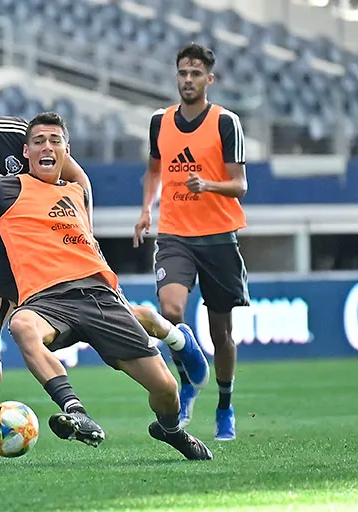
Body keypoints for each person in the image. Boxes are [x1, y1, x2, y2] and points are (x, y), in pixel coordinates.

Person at [0, 112, 212, 461]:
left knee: (166, 388)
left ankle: (171, 429)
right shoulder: (2, 190)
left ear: (66, 152)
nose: (46, 147)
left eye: (54, 141)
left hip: (100, 296)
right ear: (25, 152)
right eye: (38, 141)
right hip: (47, 301)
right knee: (20, 324)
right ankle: (76, 410)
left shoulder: (77, 192)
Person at [133, 43, 250, 441]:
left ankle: (225, 406)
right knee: (170, 309)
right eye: (183, 72)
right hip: (175, 234)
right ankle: (188, 379)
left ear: (209, 79)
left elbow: (240, 184)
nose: (188, 79)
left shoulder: (225, 123)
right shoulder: (159, 121)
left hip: (218, 237)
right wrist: (147, 208)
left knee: (221, 333)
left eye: (196, 73)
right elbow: (154, 170)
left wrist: (210, 185)